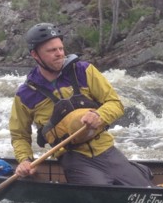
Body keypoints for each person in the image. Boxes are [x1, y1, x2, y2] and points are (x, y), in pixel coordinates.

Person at [9, 22, 153, 186]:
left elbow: (115, 103)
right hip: (74, 158)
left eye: (60, 48)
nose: (59, 54)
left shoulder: (84, 70)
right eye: (51, 50)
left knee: (146, 189)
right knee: (102, 192)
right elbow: (19, 135)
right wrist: (25, 160)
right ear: (35, 55)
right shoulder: (25, 94)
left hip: (105, 149)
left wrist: (99, 115)